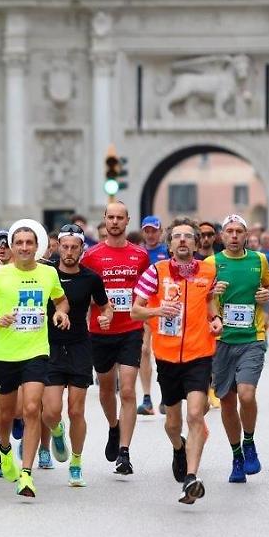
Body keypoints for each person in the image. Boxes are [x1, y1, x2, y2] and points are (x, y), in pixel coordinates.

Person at [0, 225, 68, 499]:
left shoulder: (48, 273)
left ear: (37, 246)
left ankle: (26, 474)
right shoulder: (0, 276)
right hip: (5, 355)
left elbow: (61, 300)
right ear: (11, 247)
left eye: (29, 242)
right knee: (5, 413)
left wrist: (61, 313)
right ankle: (5, 449)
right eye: (19, 242)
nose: (24, 247)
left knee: (33, 408)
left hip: (36, 351)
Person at [132, 218, 221, 504]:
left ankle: (192, 478)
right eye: (177, 237)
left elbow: (210, 302)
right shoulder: (155, 272)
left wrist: (216, 319)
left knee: (195, 414)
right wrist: (158, 311)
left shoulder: (209, 271)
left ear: (196, 243)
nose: (183, 241)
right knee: (172, 423)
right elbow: (136, 311)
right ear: (169, 244)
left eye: (188, 237)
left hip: (199, 354)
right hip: (168, 357)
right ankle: (178, 446)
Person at [80, 201, 151, 476]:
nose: (115, 222)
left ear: (127, 221)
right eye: (110, 217)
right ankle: (113, 425)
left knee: (129, 390)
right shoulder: (92, 256)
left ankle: (124, 452)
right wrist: (91, 317)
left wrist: (146, 318)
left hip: (130, 330)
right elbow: (84, 295)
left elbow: (146, 292)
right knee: (107, 388)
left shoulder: (140, 256)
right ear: (104, 220)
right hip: (101, 332)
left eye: (120, 218)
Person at [207, 215, 269, 484]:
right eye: (229, 231)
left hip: (252, 338)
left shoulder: (259, 260)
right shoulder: (211, 264)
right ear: (222, 236)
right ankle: (236, 455)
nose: (234, 235)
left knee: (246, 395)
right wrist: (211, 295)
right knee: (226, 400)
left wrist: (267, 295)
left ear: (247, 235)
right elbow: (200, 298)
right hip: (221, 341)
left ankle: (249, 442)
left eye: (239, 231)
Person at [45, 224, 110, 487]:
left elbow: (106, 307)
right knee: (50, 411)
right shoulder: (46, 273)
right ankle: (57, 432)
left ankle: (76, 461)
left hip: (80, 347)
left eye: (74, 247)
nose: (69, 252)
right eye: (65, 246)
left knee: (75, 409)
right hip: (50, 346)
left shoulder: (91, 278)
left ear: (82, 249)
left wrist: (106, 318)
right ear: (57, 247)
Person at [137, 216, 168, 415]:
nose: (150, 234)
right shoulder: (137, 253)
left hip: (164, 308)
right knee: (144, 350)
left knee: (163, 352)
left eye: (154, 230)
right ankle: (147, 398)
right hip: (144, 308)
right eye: (147, 230)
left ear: (160, 231)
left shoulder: (167, 252)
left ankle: (166, 396)